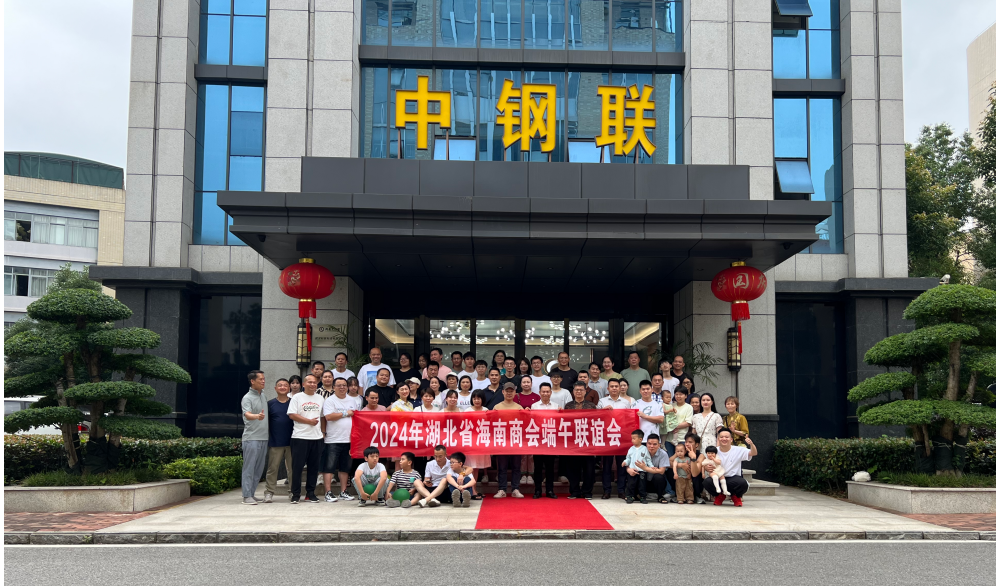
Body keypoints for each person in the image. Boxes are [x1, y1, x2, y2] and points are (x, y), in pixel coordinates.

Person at [287, 374, 325, 503]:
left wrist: (323, 432)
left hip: (317, 437)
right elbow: (292, 415)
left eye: (314, 382)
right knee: (297, 468)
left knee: (313, 468)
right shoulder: (297, 397)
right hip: (300, 437)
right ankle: (296, 494)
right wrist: (309, 421)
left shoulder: (320, 398)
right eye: (309, 382)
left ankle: (310, 493)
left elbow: (322, 417)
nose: (312, 384)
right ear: (304, 384)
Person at [321, 377, 357, 502]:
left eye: (344, 385)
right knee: (329, 467)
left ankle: (343, 491)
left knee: (345, 467)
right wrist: (345, 413)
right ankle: (328, 492)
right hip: (333, 439)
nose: (342, 387)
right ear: (334, 387)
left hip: (349, 439)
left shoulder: (352, 400)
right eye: (339, 385)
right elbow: (329, 417)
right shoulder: (330, 401)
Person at [598, 379, 633, 500]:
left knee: (621, 465)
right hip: (606, 437)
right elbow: (596, 417)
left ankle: (621, 491)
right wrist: (603, 411)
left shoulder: (626, 402)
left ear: (620, 388)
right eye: (611, 386)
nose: (614, 388)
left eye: (616, 386)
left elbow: (629, 418)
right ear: (608, 388)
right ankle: (606, 491)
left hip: (621, 437)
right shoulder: (602, 401)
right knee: (606, 466)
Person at [702, 428, 757, 506]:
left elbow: (753, 453)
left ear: (731, 439)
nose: (724, 439)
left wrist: (751, 444)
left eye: (726, 437)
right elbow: (705, 462)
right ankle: (720, 495)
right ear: (718, 439)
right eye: (721, 437)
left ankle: (735, 496)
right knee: (707, 482)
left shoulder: (739, 450)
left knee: (742, 483)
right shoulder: (714, 451)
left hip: (733, 478)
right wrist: (706, 468)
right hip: (719, 477)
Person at [564, 382, 597, 499]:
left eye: (581, 390)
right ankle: (575, 491)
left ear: (585, 391)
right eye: (576, 390)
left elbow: (595, 422)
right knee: (573, 468)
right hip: (573, 441)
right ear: (573, 392)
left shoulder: (591, 406)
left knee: (589, 468)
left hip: (587, 441)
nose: (578, 392)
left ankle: (587, 491)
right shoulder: (568, 406)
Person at [492, 383, 525, 498]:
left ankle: (515, 489)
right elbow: (492, 423)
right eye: (507, 391)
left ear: (515, 392)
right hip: (502, 440)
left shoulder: (519, 408)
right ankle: (502, 489)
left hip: (516, 440)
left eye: (511, 391)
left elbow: (524, 424)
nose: (509, 393)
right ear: (503, 392)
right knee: (502, 467)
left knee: (516, 466)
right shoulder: (497, 407)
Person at [264, 377, 293, 503]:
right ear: (275, 388)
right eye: (280, 385)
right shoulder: (270, 404)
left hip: (292, 442)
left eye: (285, 385)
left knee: (292, 469)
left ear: (289, 388)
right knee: (272, 468)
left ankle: (293, 492)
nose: (283, 387)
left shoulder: (294, 402)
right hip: (275, 442)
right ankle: (269, 492)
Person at [240, 370, 268, 505]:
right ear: (252, 381)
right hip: (251, 438)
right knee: (249, 468)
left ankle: (251, 493)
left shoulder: (263, 395)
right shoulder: (247, 398)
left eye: (264, 379)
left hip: (264, 437)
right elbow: (247, 414)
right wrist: (257, 416)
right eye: (260, 379)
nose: (263, 381)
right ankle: (246, 496)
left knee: (258, 469)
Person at [530, 384, 558, 499]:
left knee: (550, 468)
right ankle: (537, 490)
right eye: (543, 391)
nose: (545, 394)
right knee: (537, 468)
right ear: (540, 393)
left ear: (551, 393)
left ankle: (550, 490)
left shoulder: (556, 406)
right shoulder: (534, 406)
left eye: (547, 391)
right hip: (538, 441)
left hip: (551, 440)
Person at [640, 433, 674, 503]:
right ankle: (636, 495)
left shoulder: (663, 454)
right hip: (644, 480)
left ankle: (660, 496)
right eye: (649, 444)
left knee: (659, 477)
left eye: (655, 444)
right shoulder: (641, 451)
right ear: (646, 444)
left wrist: (645, 468)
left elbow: (661, 471)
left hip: (655, 482)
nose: (651, 446)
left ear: (659, 445)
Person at [622, 429, 652, 504]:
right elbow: (628, 458)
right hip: (633, 470)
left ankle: (642, 497)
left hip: (642, 471)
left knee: (642, 484)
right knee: (631, 484)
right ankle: (630, 496)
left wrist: (651, 466)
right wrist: (625, 462)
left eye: (634, 438)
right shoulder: (631, 449)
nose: (632, 440)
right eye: (632, 438)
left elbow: (648, 459)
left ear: (640, 439)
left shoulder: (645, 449)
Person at [684, 433, 707, 504]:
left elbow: (695, 473)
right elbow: (669, 463)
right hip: (683, 477)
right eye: (686, 442)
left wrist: (693, 458)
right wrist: (680, 465)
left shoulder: (701, 455)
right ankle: (677, 494)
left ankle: (697, 495)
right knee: (670, 471)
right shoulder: (681, 452)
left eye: (690, 442)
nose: (687, 444)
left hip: (694, 479)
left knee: (697, 475)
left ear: (697, 445)